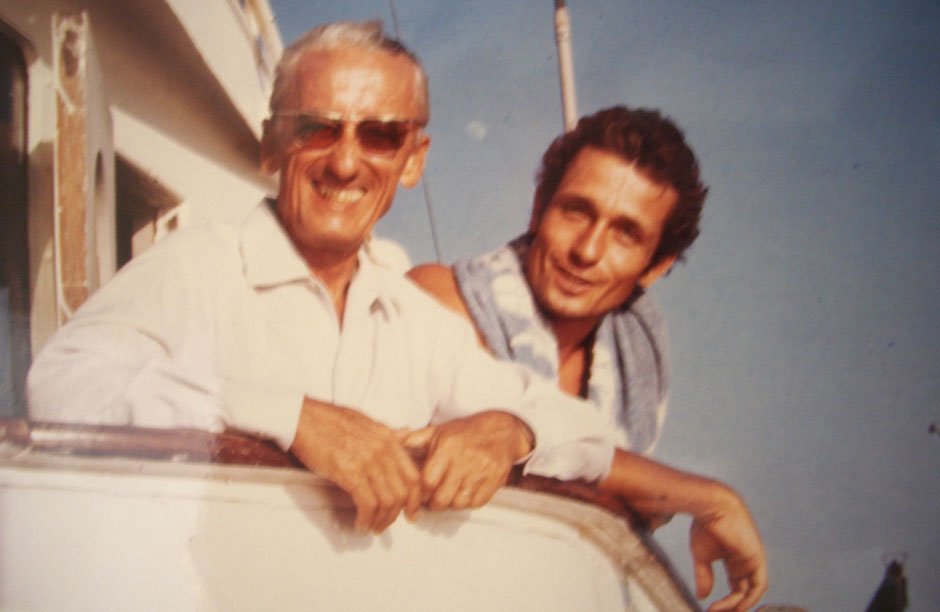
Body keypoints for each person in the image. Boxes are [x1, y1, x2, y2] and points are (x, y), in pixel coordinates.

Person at [26, 21, 615, 536]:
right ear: (271, 145)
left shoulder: (413, 321)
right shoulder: (200, 263)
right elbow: (61, 382)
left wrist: (510, 429)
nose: (345, 161)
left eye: (380, 135)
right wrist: (292, 418)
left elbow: (587, 433)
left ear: (413, 159)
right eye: (317, 129)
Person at [408, 106, 767, 612]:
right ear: (539, 209)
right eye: (576, 211)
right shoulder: (442, 299)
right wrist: (706, 498)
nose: (588, 250)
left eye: (626, 233)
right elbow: (547, 438)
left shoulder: (637, 364)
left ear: (656, 266)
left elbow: (594, 473)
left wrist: (657, 494)